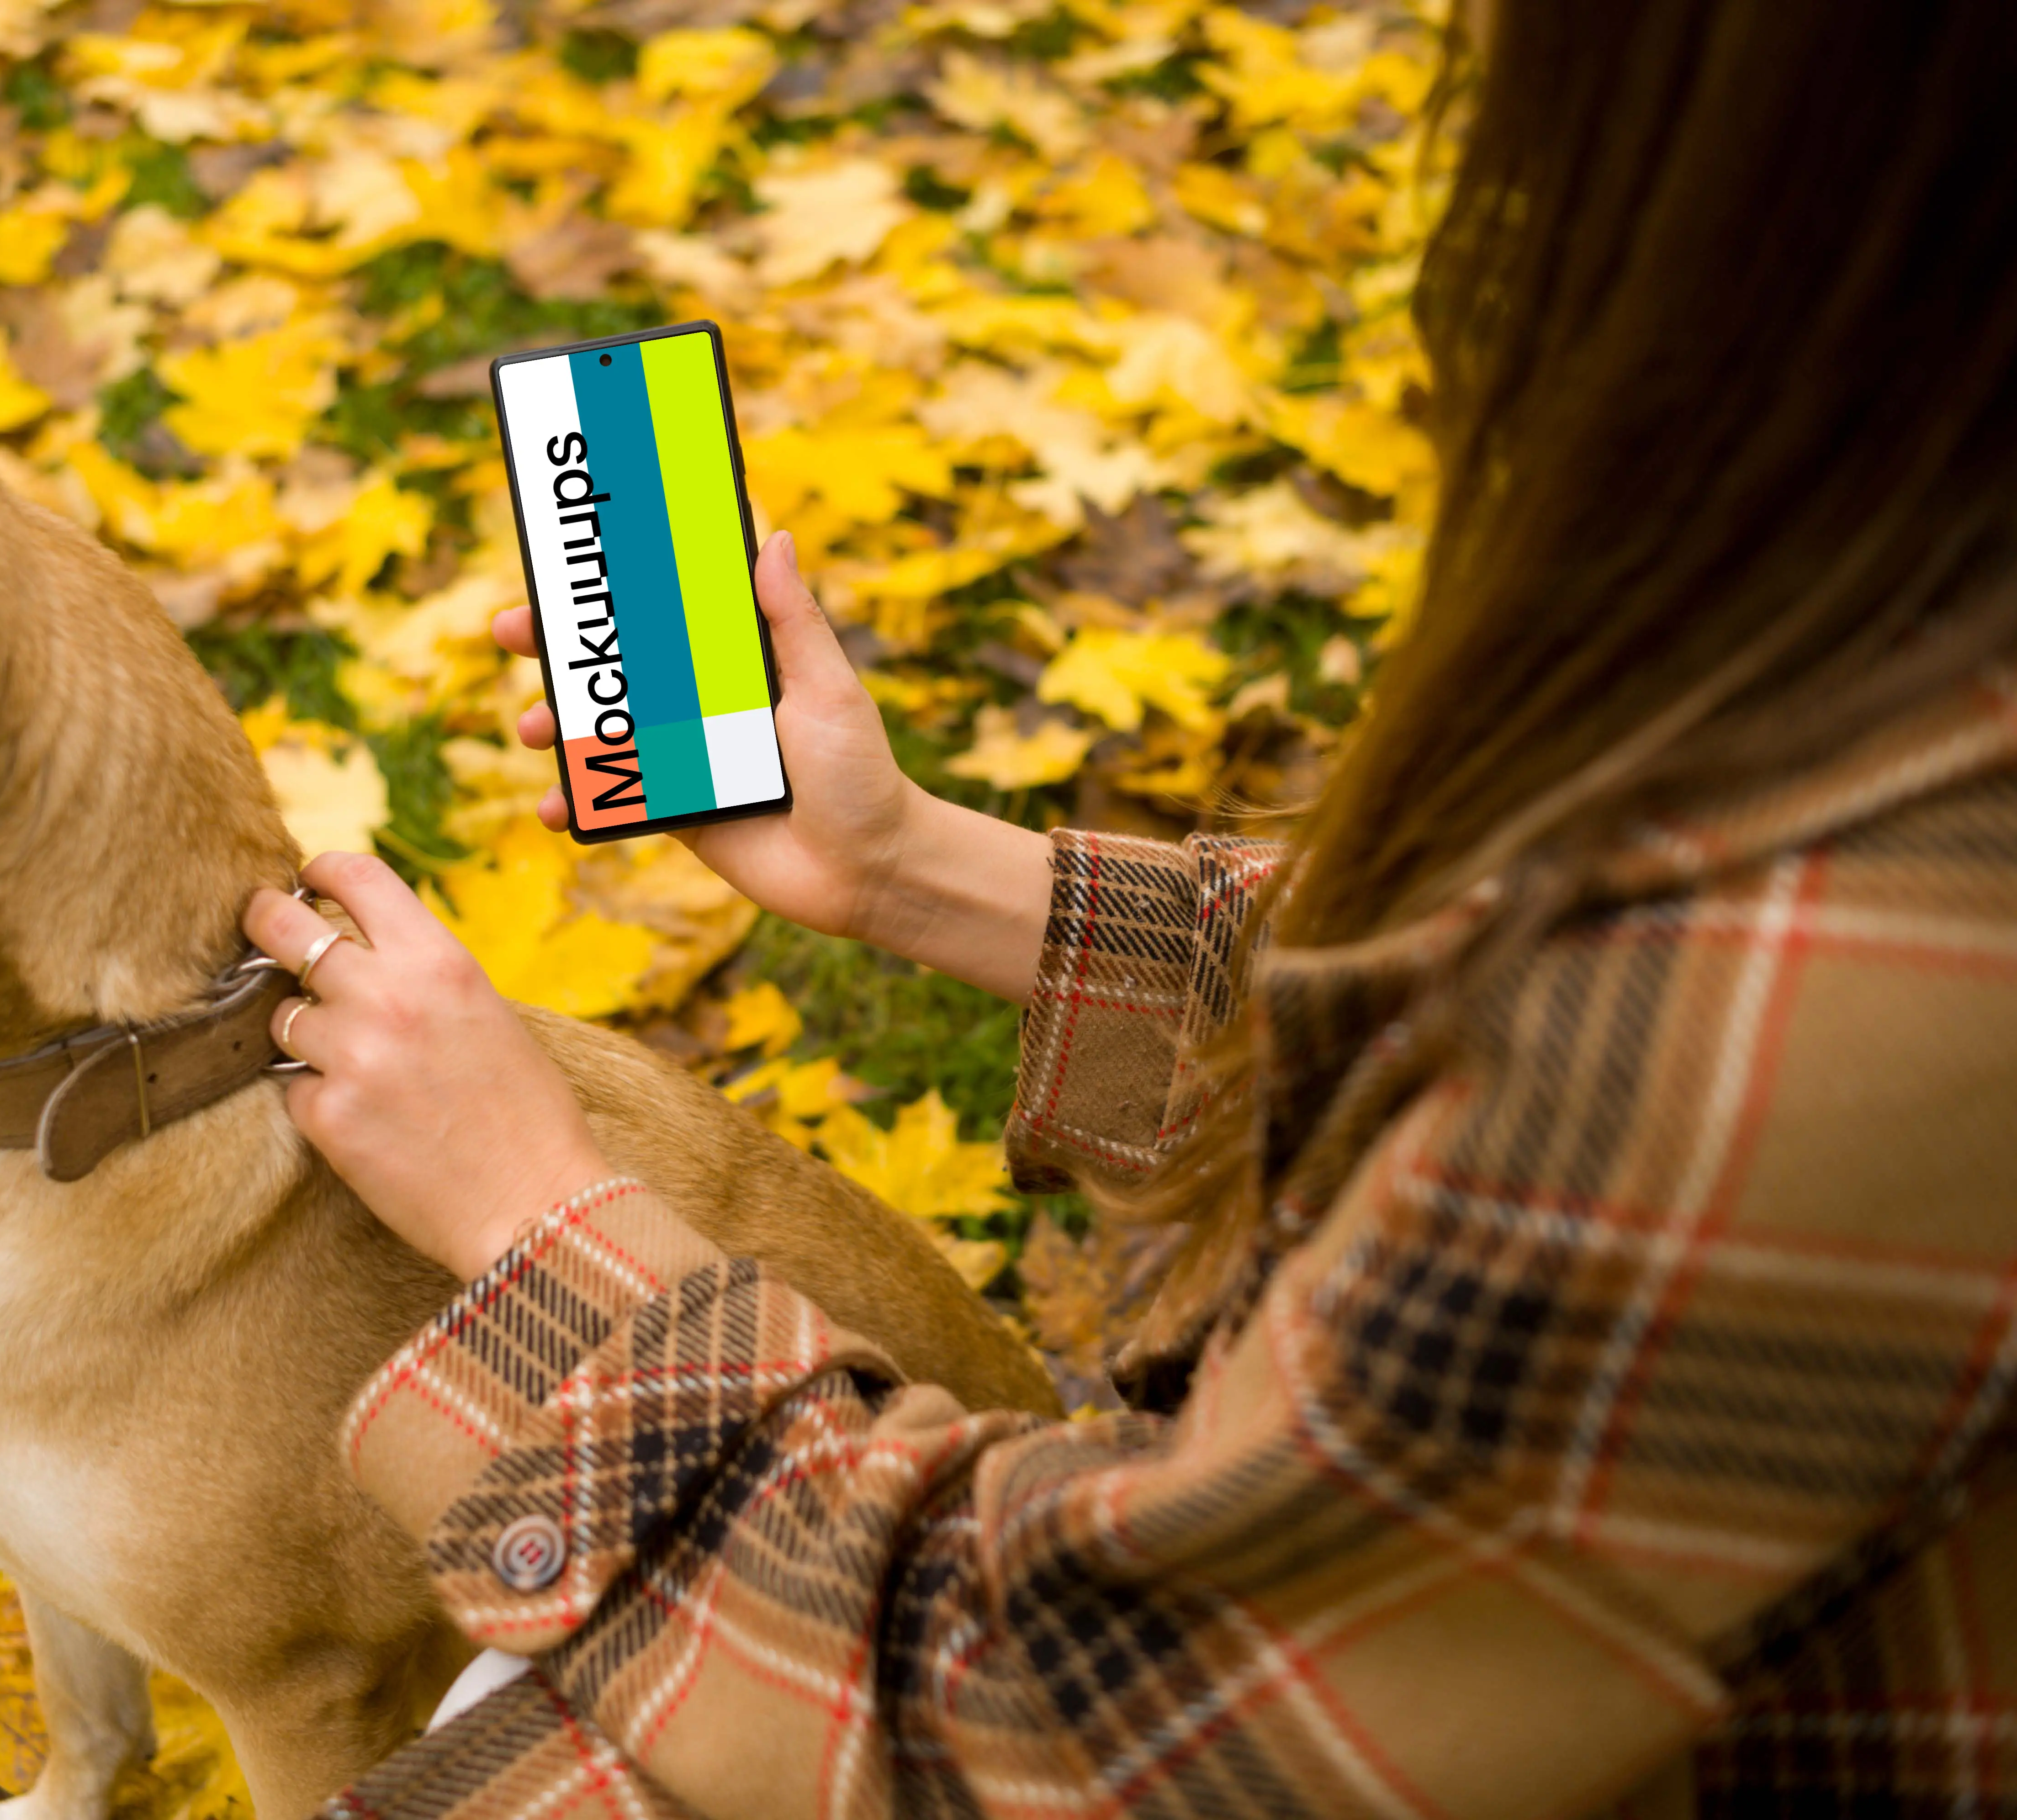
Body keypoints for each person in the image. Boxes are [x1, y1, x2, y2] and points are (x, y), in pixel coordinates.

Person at [240, 1, 2017, 1812]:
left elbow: (1077, 1743)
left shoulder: (1814, 996)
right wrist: (918, 870)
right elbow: (1507, 981)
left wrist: (543, 1221)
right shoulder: (1899, 650)